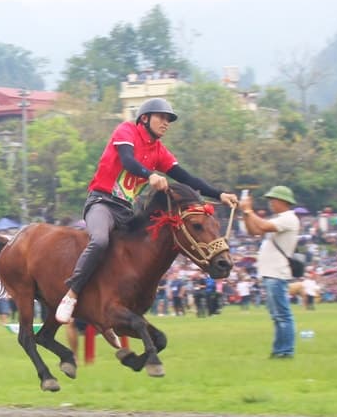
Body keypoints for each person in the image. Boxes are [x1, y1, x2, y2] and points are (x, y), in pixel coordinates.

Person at [56, 98, 239, 323]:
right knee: (101, 241)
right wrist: (150, 174)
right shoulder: (126, 130)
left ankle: (112, 308)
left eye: (169, 120)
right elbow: (127, 160)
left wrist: (219, 194)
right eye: (161, 117)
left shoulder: (159, 151)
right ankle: (72, 293)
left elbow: (186, 177)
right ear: (144, 118)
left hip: (125, 211)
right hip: (101, 203)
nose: (166, 123)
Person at [242, 185, 300, 359]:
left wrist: (249, 210)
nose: (270, 203)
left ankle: (286, 351)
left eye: (273, 200)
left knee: (282, 315)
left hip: (276, 273)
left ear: (282, 201)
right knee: (277, 316)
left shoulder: (289, 218)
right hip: (271, 273)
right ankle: (279, 350)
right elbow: (254, 231)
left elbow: (263, 226)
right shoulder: (281, 218)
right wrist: (246, 214)